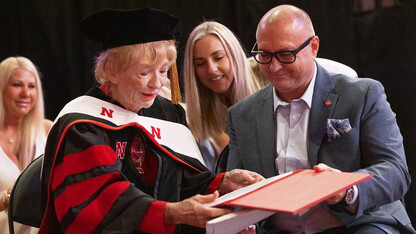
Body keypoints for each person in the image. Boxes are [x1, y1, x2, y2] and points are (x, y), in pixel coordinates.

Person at [39, 8, 263, 233]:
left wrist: (221, 183)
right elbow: (101, 202)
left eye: (164, 71)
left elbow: (182, 182)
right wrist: (170, 213)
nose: (158, 84)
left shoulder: (167, 114)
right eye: (145, 73)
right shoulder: (82, 124)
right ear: (112, 71)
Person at [226, 4, 415, 233]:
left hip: (357, 223)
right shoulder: (242, 114)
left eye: (286, 54)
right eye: (264, 55)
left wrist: (346, 190)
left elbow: (395, 170)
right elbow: (236, 189)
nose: (274, 67)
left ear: (313, 47)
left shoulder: (362, 95)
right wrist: (242, 219)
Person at [184, 21, 268, 171]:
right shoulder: (206, 107)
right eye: (200, 63)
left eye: (219, 57)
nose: (211, 69)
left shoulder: (265, 74)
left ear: (234, 54)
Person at [0, 56, 53, 233]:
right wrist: (5, 200)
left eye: (31, 86)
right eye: (17, 85)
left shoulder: (49, 130)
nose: (26, 93)